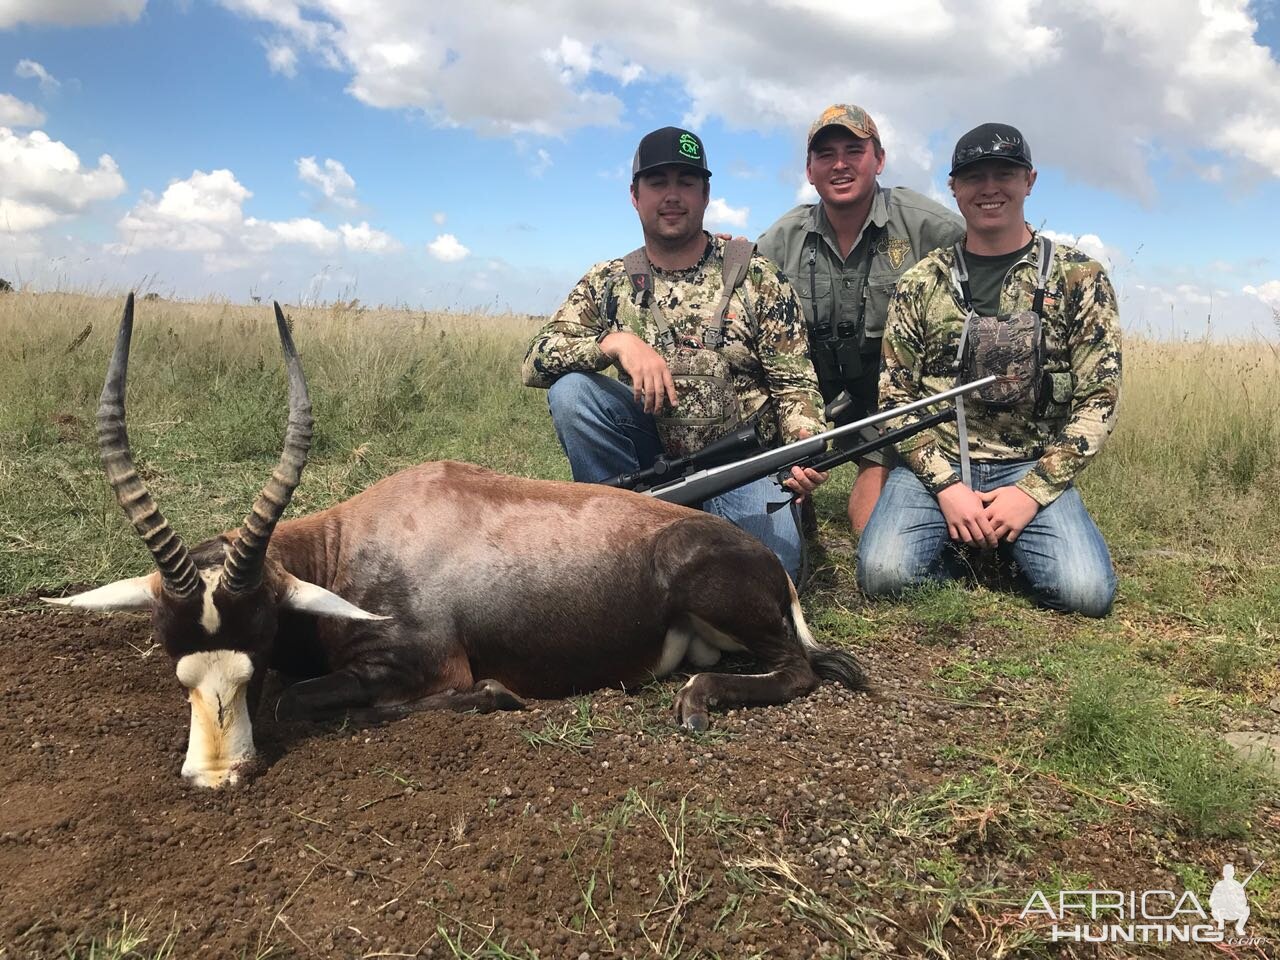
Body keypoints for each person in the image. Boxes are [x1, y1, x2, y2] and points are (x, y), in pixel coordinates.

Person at [521, 126, 827, 581]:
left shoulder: (756, 274)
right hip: (652, 468)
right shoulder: (608, 280)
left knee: (769, 580)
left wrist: (804, 450)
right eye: (657, 182)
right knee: (573, 393)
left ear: (705, 194)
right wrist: (614, 343)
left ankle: (680, 550)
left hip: (740, 466)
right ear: (635, 195)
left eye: (685, 182)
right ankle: (616, 526)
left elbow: (795, 383)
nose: (672, 195)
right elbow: (536, 359)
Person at [857, 122, 1122, 617]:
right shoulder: (920, 281)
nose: (989, 188)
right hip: (937, 463)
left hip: (1030, 462)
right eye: (974, 177)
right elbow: (894, 401)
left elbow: (1099, 402)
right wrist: (947, 487)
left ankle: (1003, 542)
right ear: (954, 188)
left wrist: (1031, 492)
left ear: (1030, 180)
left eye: (1005, 173)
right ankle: (971, 555)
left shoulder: (1078, 277)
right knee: (883, 576)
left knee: (1086, 594)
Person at [757, 104, 964, 533]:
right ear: (810, 170)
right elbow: (732, 282)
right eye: (825, 154)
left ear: (880, 159)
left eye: (854, 150)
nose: (840, 164)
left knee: (867, 526)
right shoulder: (782, 238)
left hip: (889, 404)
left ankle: (886, 472)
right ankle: (795, 482)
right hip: (810, 403)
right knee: (774, 524)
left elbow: (991, 250)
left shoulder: (926, 225)